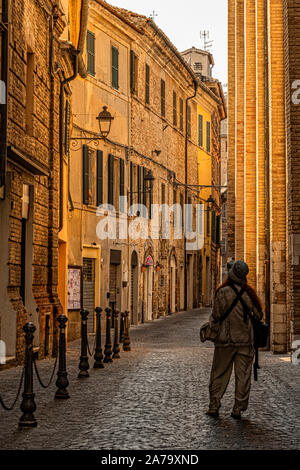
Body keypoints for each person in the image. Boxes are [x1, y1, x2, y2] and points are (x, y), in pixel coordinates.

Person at [206, 260, 263, 420]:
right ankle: (238, 409)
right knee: (243, 376)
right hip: (245, 341)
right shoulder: (249, 294)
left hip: (225, 341)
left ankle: (214, 405)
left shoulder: (222, 292)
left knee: (219, 373)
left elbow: (216, 315)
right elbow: (259, 316)